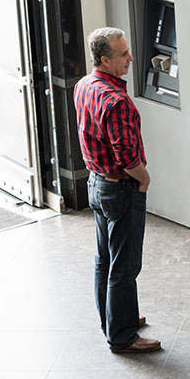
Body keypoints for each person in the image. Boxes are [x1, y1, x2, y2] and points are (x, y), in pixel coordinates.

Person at [74, 27, 160, 354]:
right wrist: (144, 178)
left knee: (104, 259)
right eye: (123, 54)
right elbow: (126, 155)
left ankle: (111, 318)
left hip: (95, 183)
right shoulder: (116, 100)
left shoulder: (84, 86)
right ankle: (122, 335)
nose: (131, 58)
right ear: (105, 59)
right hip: (120, 188)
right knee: (125, 266)